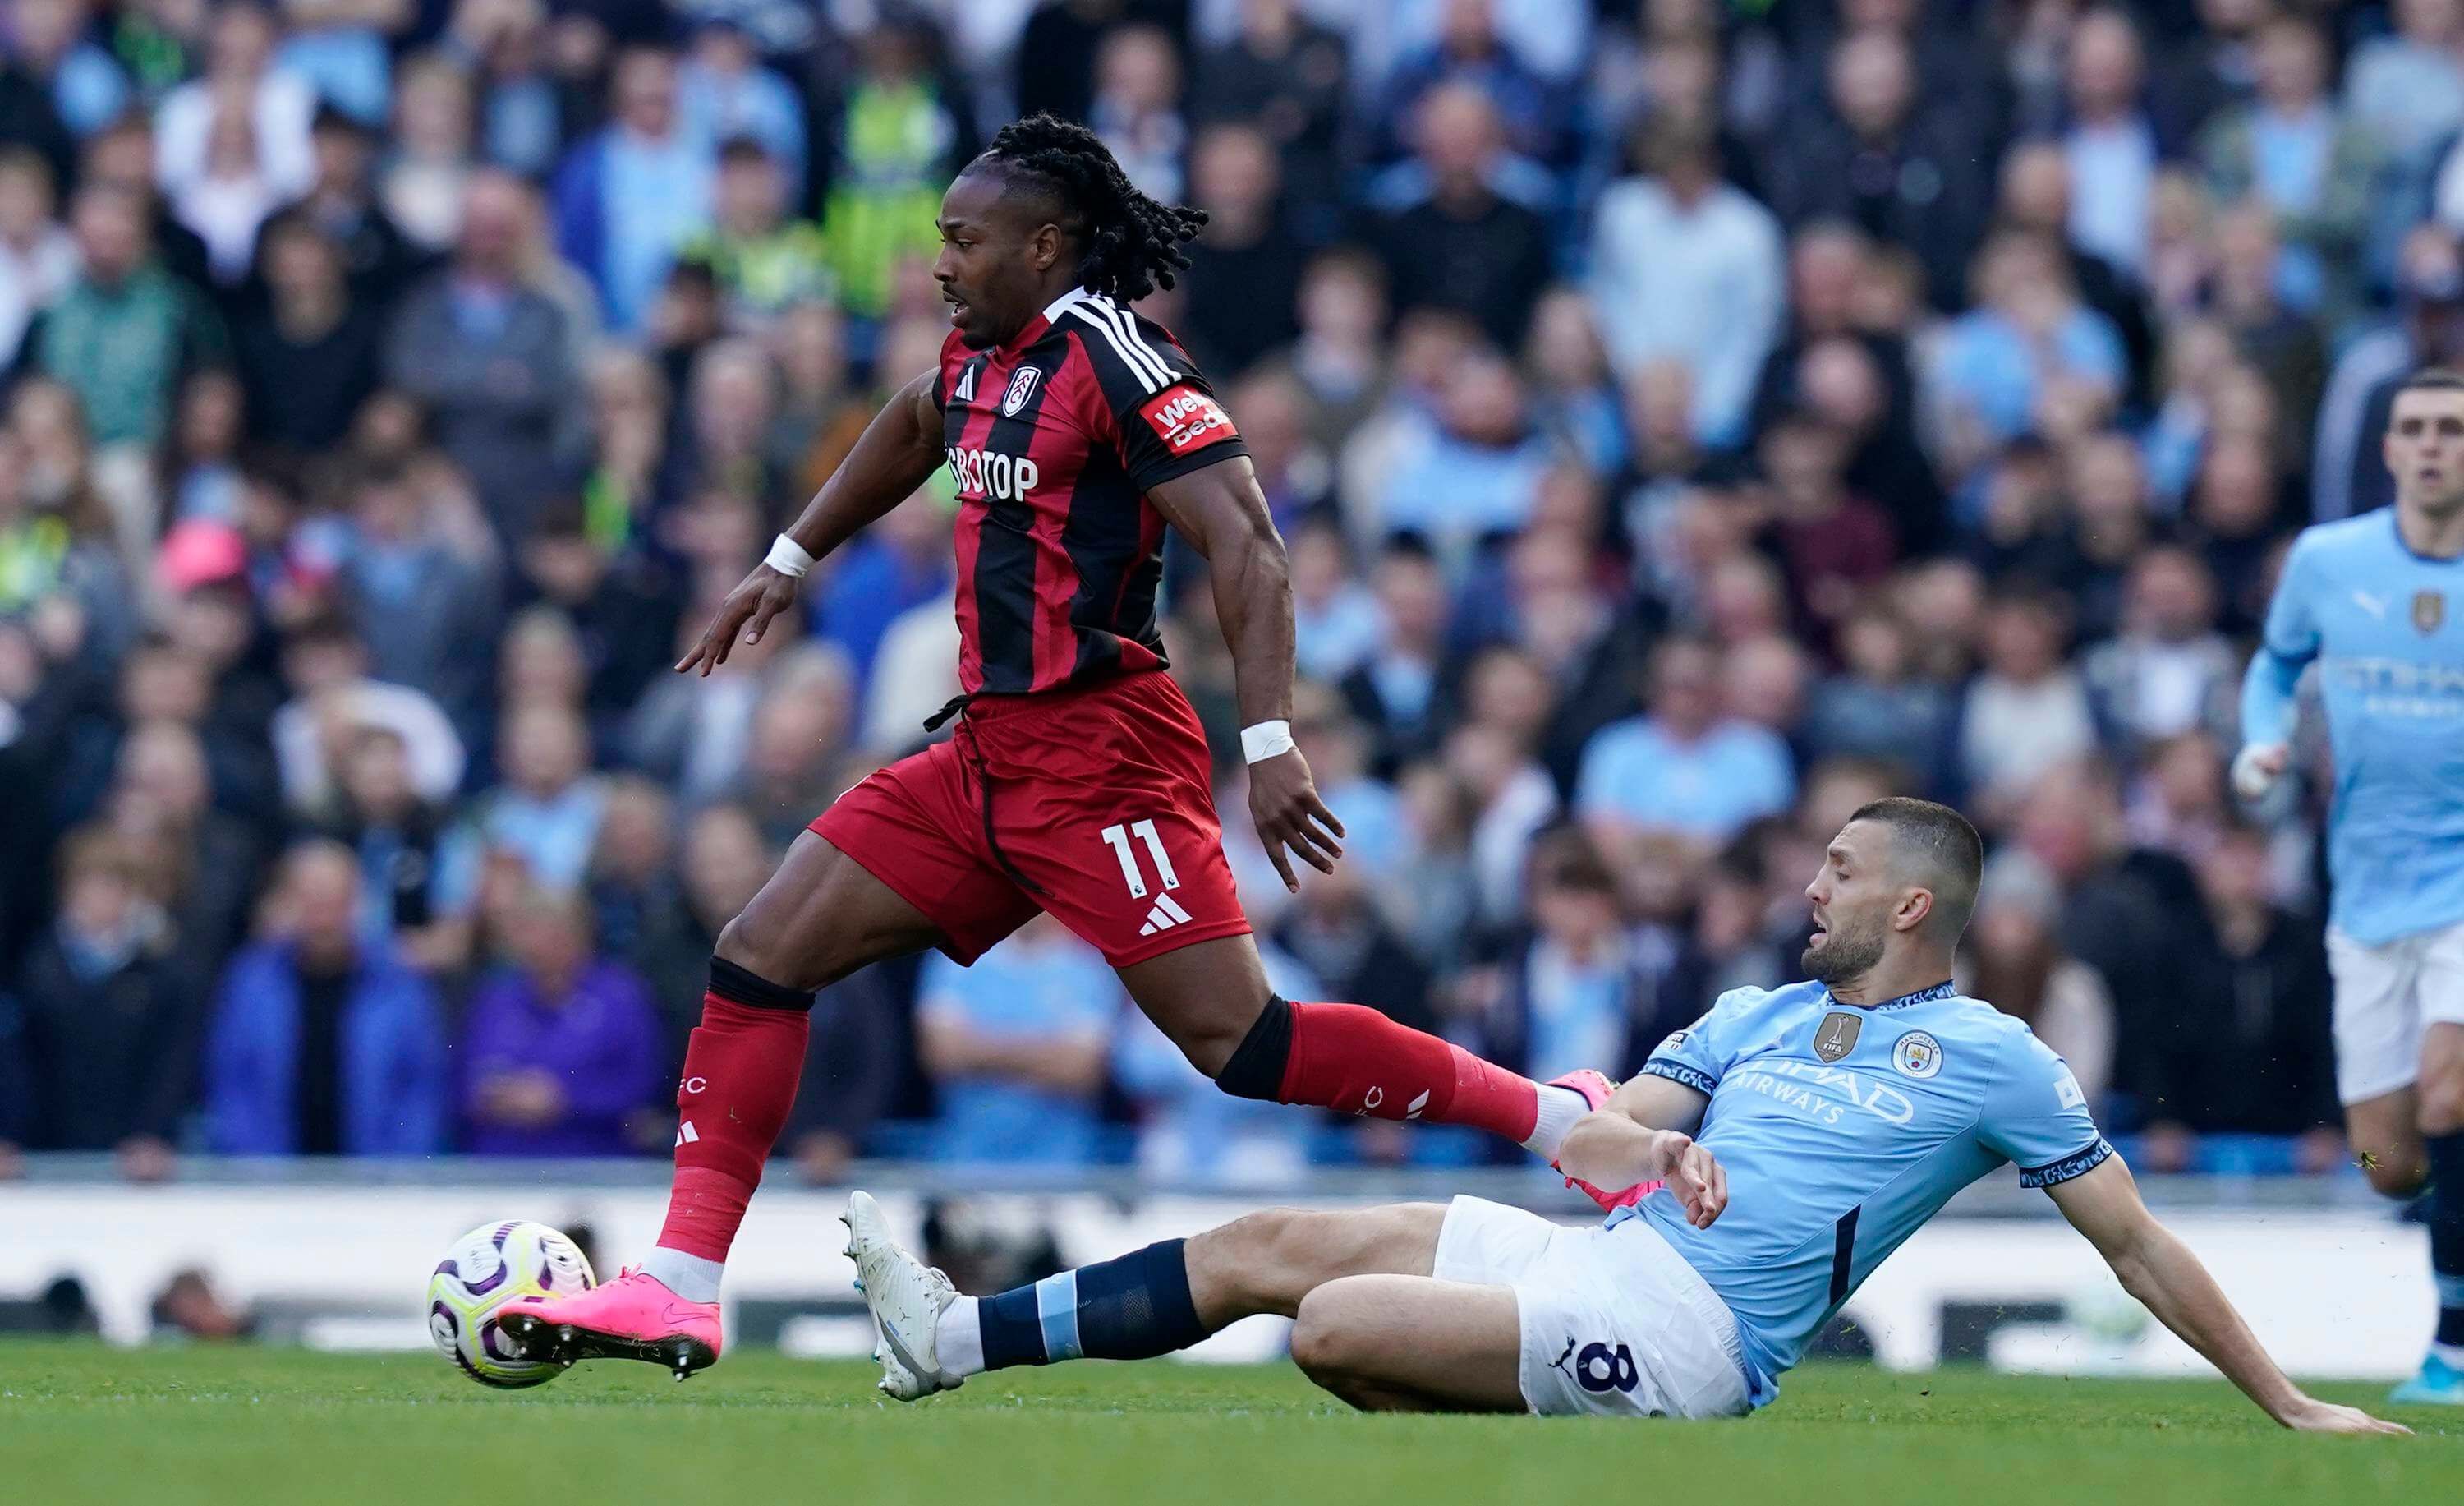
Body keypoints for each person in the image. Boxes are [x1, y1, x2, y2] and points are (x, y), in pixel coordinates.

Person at [503, 114, 1611, 1377]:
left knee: (1243, 1046)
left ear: (1044, 245)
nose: (942, 265)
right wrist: (789, 559)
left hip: (1101, 758)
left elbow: (1247, 540)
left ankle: (1555, 1114)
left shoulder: (1116, 356)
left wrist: (1270, 738)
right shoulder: (981, 351)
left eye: (964, 242)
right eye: (941, 242)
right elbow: (917, 423)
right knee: (759, 954)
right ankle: (682, 1283)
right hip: (981, 758)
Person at [839, 797, 2407, 1435]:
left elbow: (2134, 1244)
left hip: (1696, 1339)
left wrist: (2287, 1402)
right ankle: (953, 1339)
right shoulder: (1761, 1011)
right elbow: (1606, 1126)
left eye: (1843, 872)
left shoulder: (1994, 1057)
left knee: (1330, 1324)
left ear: (1914, 902)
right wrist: (1622, 1127)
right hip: (1599, 1252)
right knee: (1269, 1243)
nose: (1811, 885)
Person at [2233, 366, 2464, 1405]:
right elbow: (2277, 667)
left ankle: (2453, 1347)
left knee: (2454, 1090)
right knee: (2394, 1162)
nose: (2431, 446)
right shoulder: (2329, 562)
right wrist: (2264, 742)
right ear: (2387, 449)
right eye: (2414, 428)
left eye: (2452, 429)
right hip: (2367, 892)